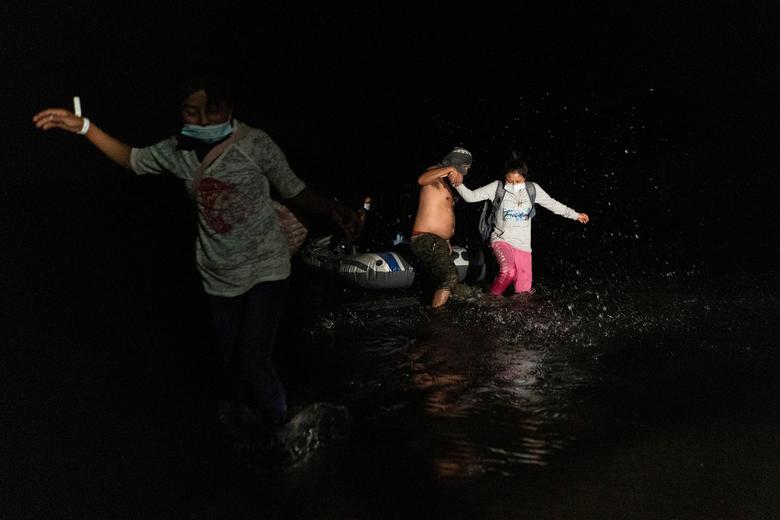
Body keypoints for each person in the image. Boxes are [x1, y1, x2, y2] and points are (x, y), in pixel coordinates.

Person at [32, 68, 361, 440]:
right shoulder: (177, 151)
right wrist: (84, 127)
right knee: (230, 362)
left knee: (253, 358)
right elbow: (132, 159)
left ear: (229, 107)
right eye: (192, 112)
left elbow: (294, 190)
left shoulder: (255, 143)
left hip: (267, 269)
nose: (203, 120)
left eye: (213, 110)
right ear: (180, 112)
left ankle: (281, 429)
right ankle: (245, 427)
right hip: (217, 275)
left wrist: (334, 208)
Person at [452, 154, 589, 297]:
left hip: (523, 246)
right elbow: (471, 197)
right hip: (501, 240)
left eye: (517, 181)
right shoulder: (497, 187)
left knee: (524, 293)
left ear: (525, 178)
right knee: (509, 272)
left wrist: (575, 214)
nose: (513, 185)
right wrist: (457, 183)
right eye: (509, 181)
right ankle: (489, 300)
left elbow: (552, 204)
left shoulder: (532, 189)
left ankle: (509, 308)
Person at [409, 147, 472, 308]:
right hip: (425, 238)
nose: (465, 172)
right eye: (465, 167)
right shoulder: (434, 174)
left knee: (451, 283)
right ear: (456, 164)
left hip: (438, 241)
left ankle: (476, 300)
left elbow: (442, 212)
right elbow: (421, 180)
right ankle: (437, 319)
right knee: (450, 276)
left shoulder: (447, 184)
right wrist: (449, 168)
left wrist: (446, 239)